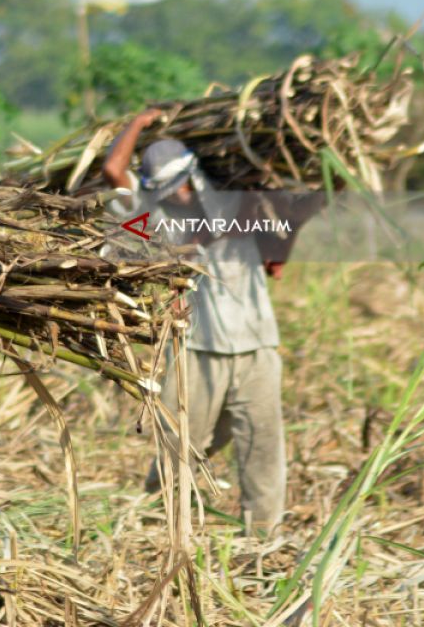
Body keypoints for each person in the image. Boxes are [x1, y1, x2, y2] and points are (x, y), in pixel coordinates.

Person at [101, 108, 317, 531]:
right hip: (198, 348)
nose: (177, 195)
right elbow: (113, 169)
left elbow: (288, 219)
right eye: (167, 188)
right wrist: (138, 124)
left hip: (257, 343)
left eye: (181, 185)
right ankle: (153, 516)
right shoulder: (149, 218)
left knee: (263, 444)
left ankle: (263, 536)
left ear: (194, 174)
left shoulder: (239, 198)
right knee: (181, 442)